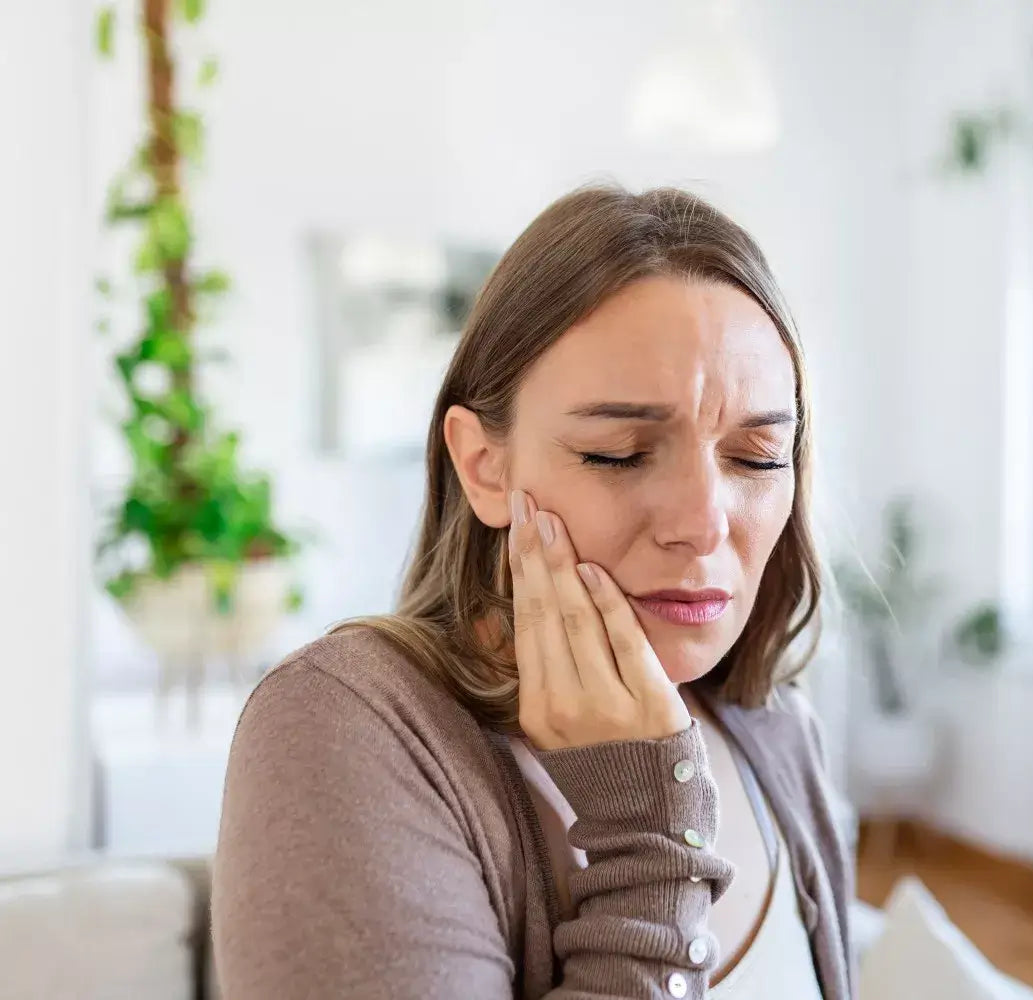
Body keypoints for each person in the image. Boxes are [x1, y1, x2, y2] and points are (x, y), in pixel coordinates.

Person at [211, 184, 852, 1000]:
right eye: (619, 452)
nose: (702, 523)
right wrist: (646, 845)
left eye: (758, 458)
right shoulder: (346, 727)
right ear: (484, 465)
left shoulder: (778, 729)